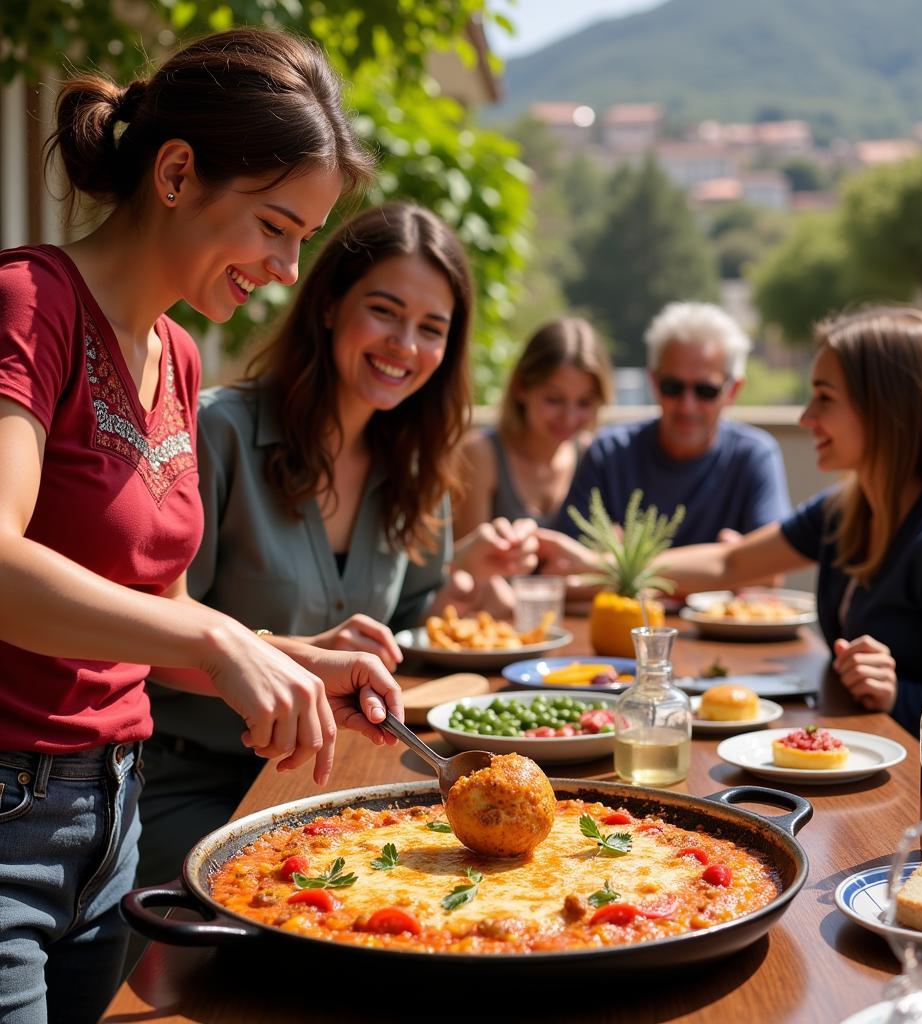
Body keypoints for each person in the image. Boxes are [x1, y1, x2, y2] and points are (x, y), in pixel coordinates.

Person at [0, 30, 405, 1024]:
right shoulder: (27, 303)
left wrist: (292, 660)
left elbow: (153, 611)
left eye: (303, 237)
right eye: (276, 224)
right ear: (177, 172)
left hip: (114, 827)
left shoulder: (177, 355)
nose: (283, 266)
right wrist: (218, 637)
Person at [138, 202, 538, 887]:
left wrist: (465, 575)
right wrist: (306, 656)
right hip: (197, 786)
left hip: (341, 786)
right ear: (327, 306)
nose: (405, 345)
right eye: (384, 311)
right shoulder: (217, 435)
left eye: (431, 328)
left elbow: (411, 623)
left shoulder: (419, 467)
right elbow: (149, 640)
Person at [547, 307, 922, 736]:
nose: (806, 415)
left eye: (824, 398)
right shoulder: (845, 511)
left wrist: (900, 694)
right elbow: (730, 562)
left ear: (885, 409)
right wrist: (603, 561)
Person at [551, 301, 790, 554]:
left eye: (705, 391)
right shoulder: (608, 453)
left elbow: (772, 568)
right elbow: (564, 564)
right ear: (653, 382)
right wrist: (727, 563)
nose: (687, 406)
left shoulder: (754, 455)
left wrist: (624, 562)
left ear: (732, 391)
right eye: (672, 387)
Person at [453, 317, 613, 537]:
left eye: (584, 403)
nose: (569, 418)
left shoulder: (590, 455)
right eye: (554, 399)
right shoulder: (480, 454)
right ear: (521, 387)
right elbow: (463, 561)